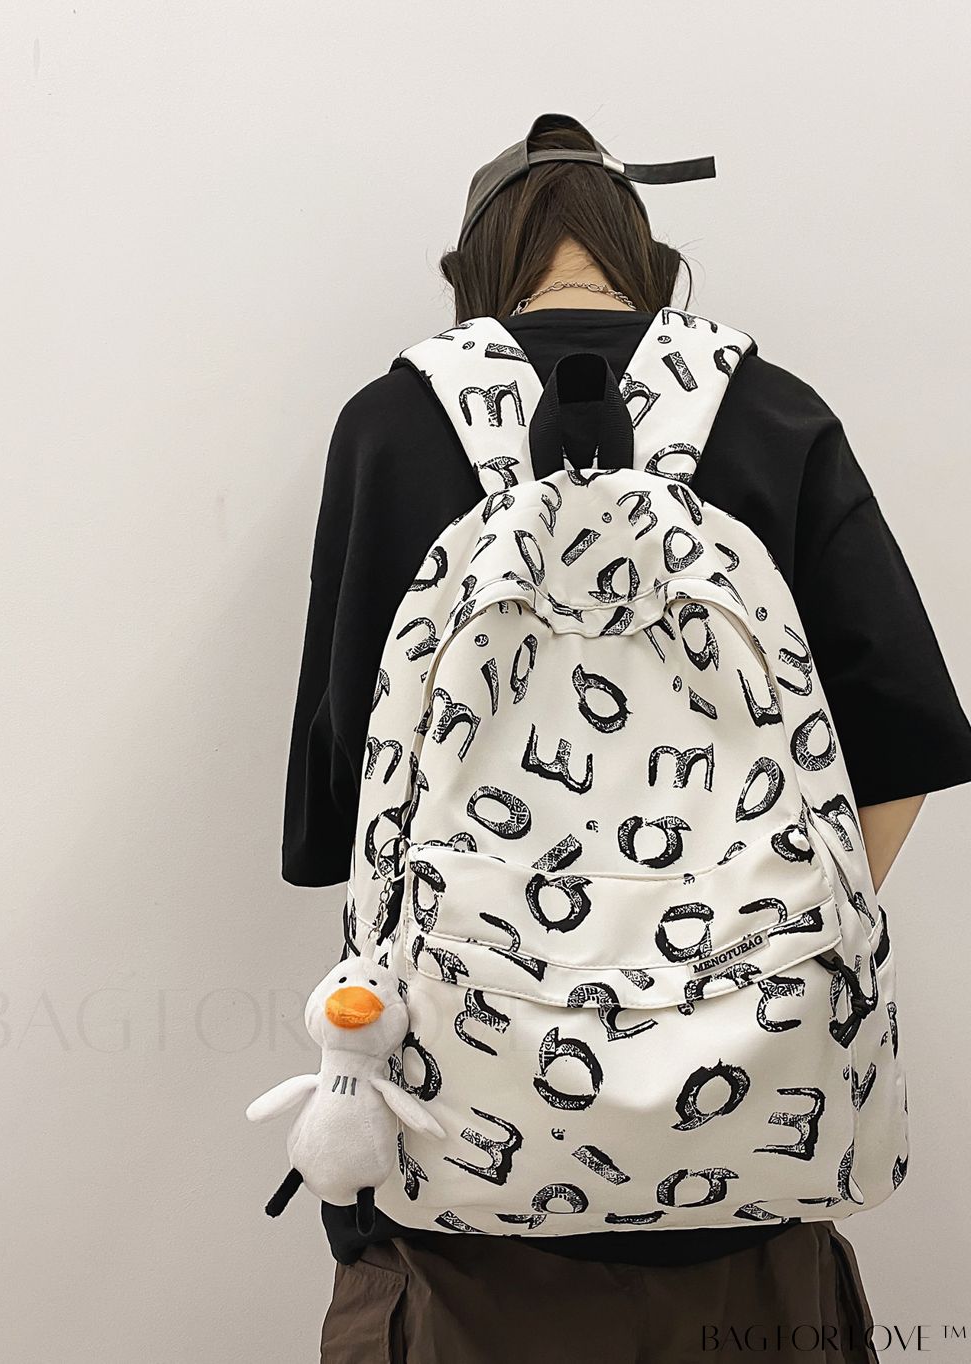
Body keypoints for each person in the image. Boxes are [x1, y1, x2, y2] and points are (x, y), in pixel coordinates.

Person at [281, 113, 971, 1363]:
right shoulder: (773, 412)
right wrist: (751, 957)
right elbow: (906, 742)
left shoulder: (392, 422)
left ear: (477, 270)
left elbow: (343, 791)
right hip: (749, 1200)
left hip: (460, 1210)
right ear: (645, 260)